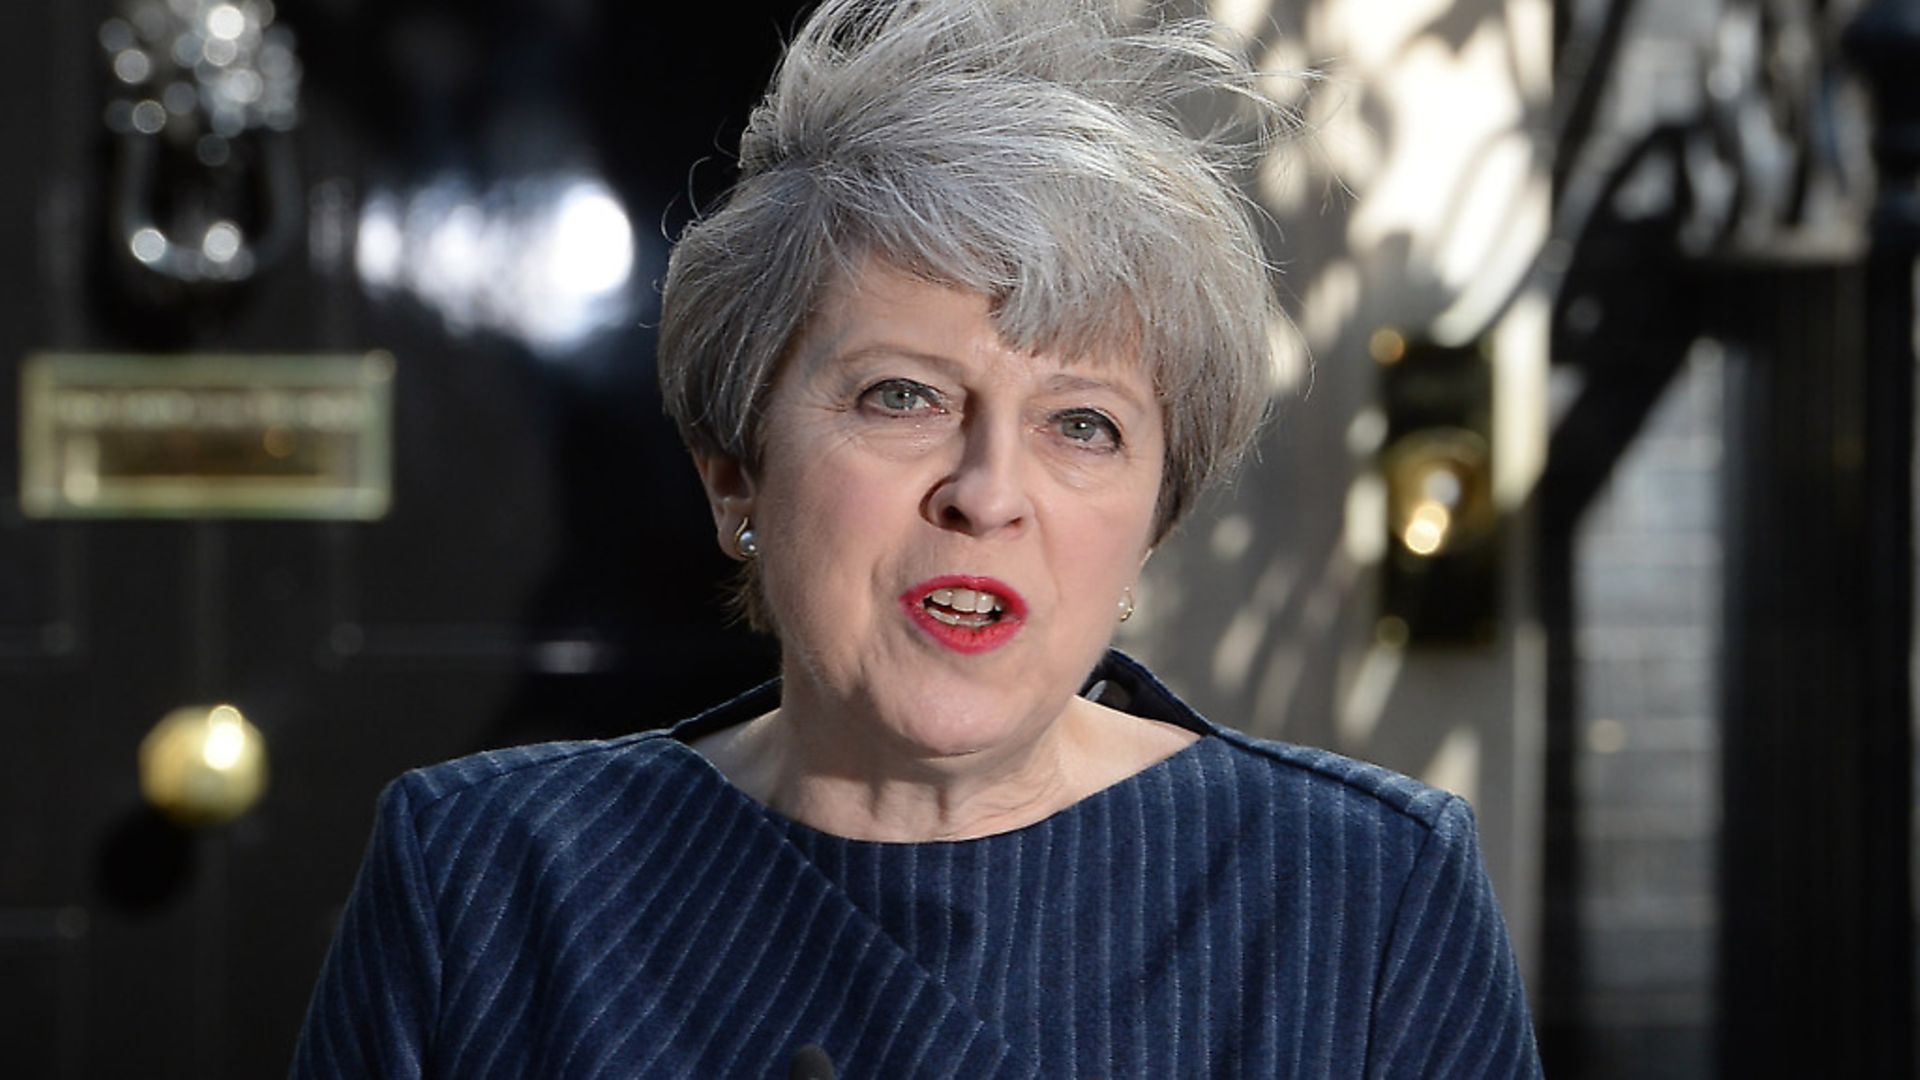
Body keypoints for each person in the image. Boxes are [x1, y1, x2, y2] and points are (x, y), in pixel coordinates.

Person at [293, 0, 1543, 1076]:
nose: (988, 492)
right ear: (736, 470)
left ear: (1152, 523)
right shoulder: (485, 881)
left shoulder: (1365, 895)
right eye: (906, 397)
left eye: (1085, 426)